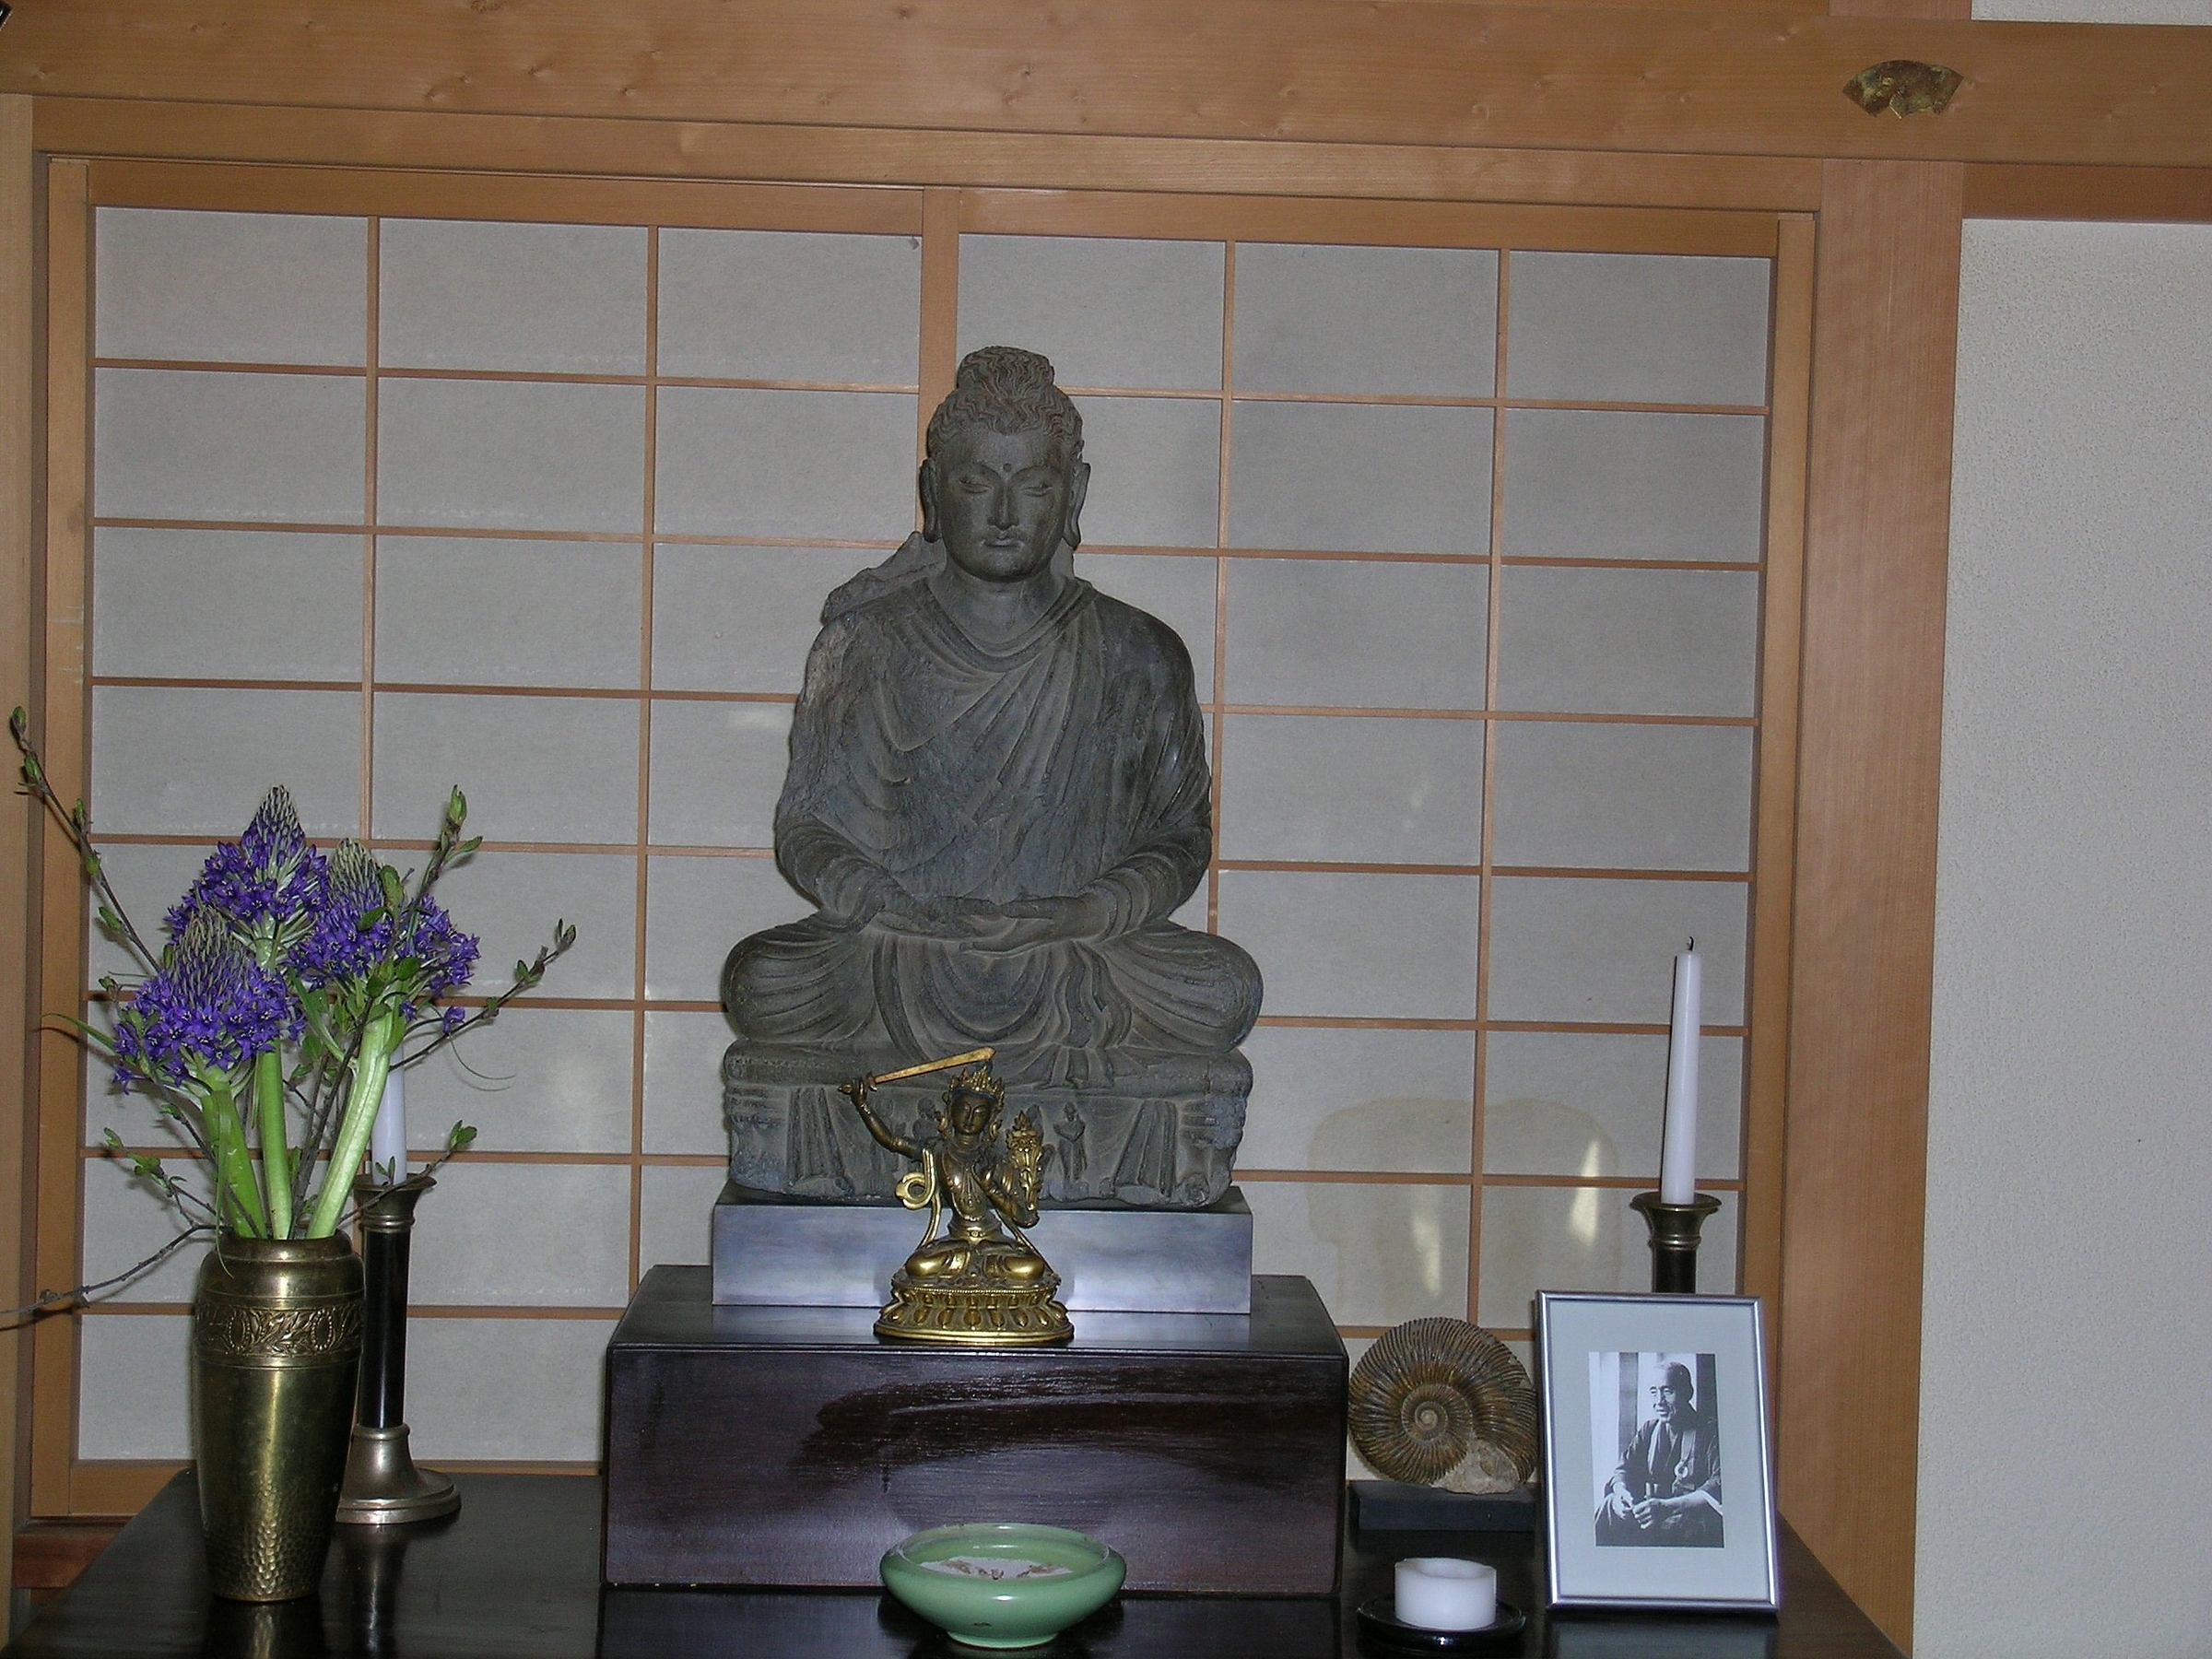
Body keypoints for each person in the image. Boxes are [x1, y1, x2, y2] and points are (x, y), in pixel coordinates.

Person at [721, 347, 1261, 1084]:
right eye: (977, 484)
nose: (1004, 514)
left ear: (1074, 493)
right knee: (761, 981)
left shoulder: (1140, 652)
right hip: (907, 950)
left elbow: (1180, 837)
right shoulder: (866, 643)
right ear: (933, 491)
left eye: (1033, 485)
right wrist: (887, 904)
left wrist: (1081, 914)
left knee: (1223, 991)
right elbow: (810, 827)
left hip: (1073, 954)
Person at [1595, 1361, 1724, 1547]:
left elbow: (1719, 1484)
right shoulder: (1649, 1430)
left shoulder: (1710, 1432)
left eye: (1667, 1392)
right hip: (1652, 1514)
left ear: (1688, 1393)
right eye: (1654, 1392)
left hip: (1689, 1517)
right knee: (1609, 1505)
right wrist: (1621, 1496)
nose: (1659, 1402)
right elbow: (1623, 1470)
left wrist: (1667, 1507)